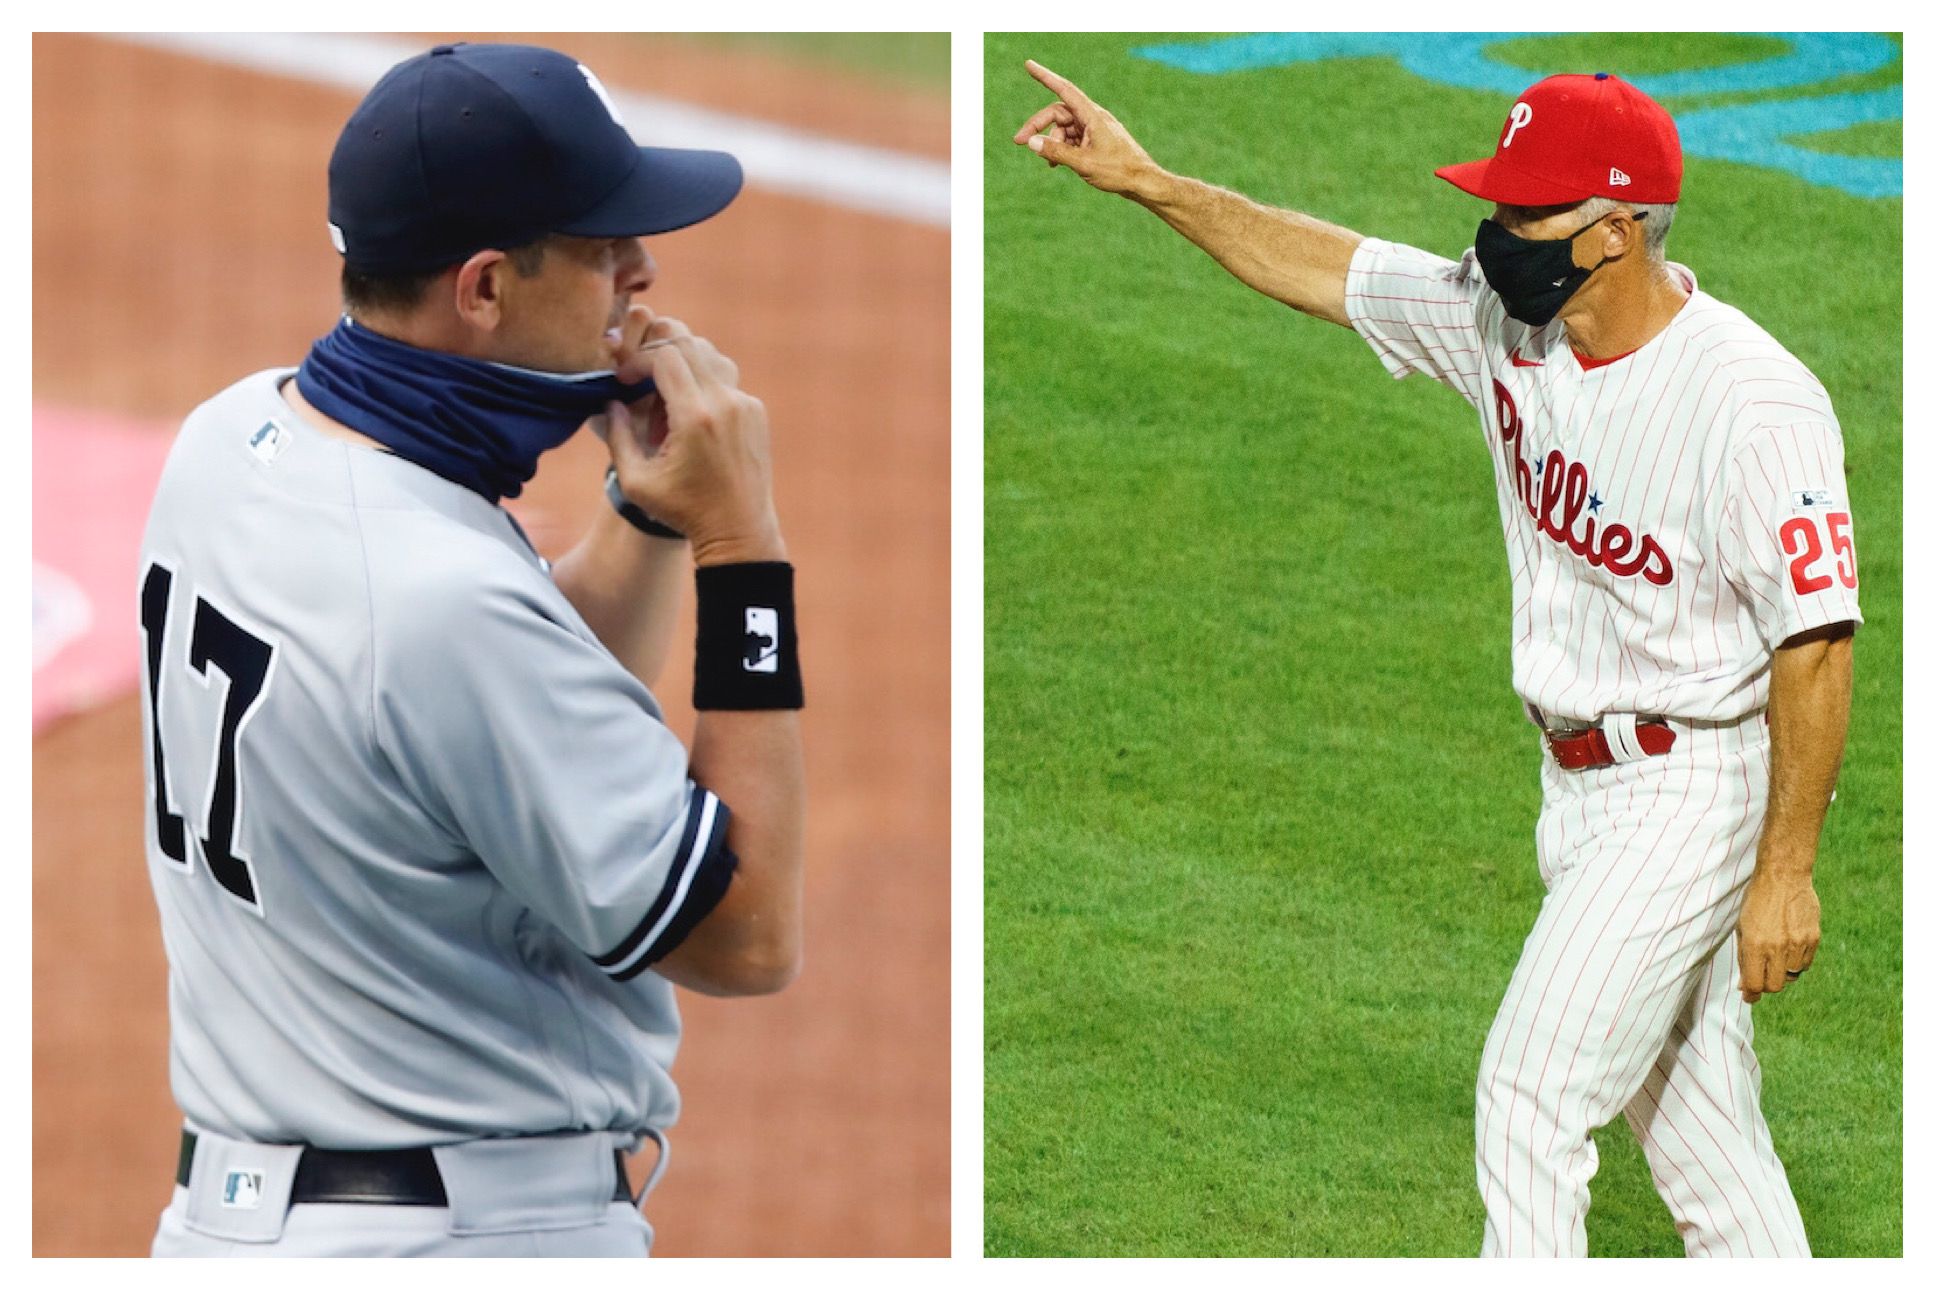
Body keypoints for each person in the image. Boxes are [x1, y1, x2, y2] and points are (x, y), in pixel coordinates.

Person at [1015, 61, 1859, 1257]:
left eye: (1529, 216)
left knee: (1530, 1097)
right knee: (1710, 1151)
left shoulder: (1753, 402)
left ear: (1617, 233)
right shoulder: (1505, 324)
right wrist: (1150, 183)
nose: (1498, 236)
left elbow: (1816, 642)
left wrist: (1787, 870)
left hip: (1690, 791)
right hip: (1581, 793)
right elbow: (1330, 265)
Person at [139, 42, 805, 1257]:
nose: (641, 272)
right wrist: (741, 547)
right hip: (462, 1242)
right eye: (606, 244)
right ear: (486, 288)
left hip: (233, 1231)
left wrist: (648, 514)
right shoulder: (437, 601)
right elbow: (746, 935)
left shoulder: (231, 437)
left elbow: (493, 709)